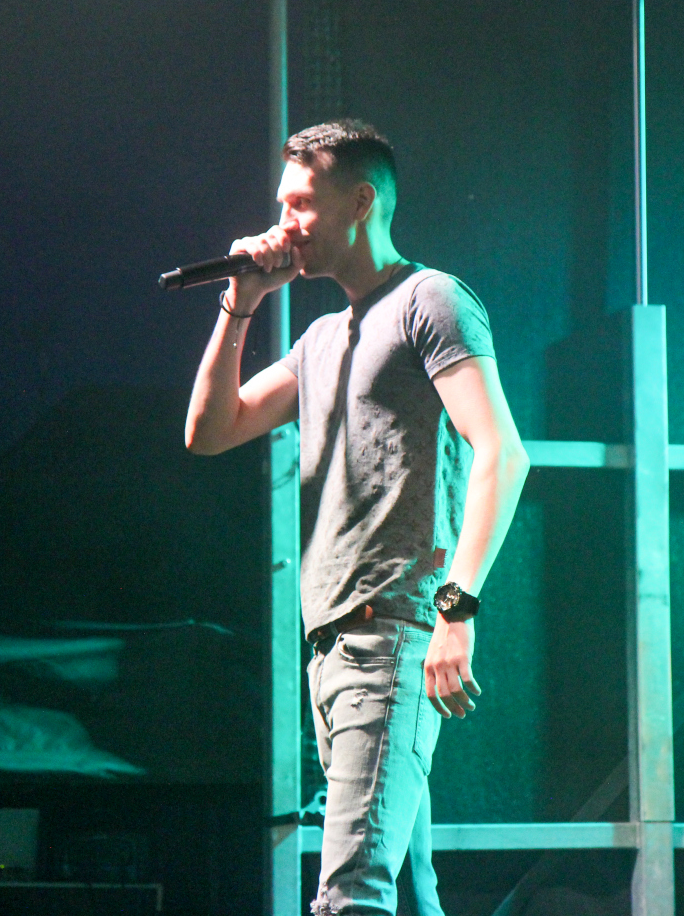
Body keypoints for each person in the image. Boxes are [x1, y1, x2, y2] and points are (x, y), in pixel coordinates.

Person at [184, 120, 529, 915]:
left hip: (392, 636)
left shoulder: (429, 300)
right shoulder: (317, 341)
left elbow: (503, 454)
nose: (285, 224)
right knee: (407, 894)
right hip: (331, 650)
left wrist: (456, 611)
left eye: (302, 204)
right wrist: (241, 302)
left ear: (361, 202)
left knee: (350, 897)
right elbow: (208, 431)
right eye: (283, 205)